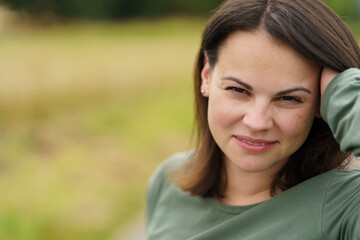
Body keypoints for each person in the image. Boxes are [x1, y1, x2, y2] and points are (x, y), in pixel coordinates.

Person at [145, 0, 360, 239]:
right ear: (207, 76)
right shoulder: (169, 179)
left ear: (322, 102)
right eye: (238, 90)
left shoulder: (347, 206)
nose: (257, 123)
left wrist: (346, 91)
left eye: (288, 98)